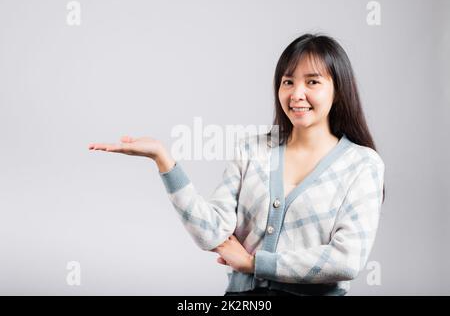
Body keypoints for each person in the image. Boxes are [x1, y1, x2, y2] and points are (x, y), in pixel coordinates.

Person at [88, 33, 386, 296]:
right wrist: (163, 159)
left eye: (312, 82)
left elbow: (347, 260)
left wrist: (254, 263)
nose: (297, 94)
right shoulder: (252, 150)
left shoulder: (362, 164)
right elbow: (213, 231)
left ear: (338, 90)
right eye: (288, 82)